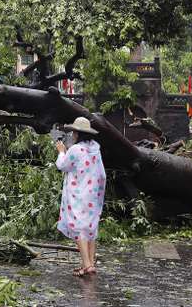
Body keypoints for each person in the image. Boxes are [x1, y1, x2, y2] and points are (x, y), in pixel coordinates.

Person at [55, 116, 106, 276]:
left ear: (78, 133)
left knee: (78, 228)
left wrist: (61, 152)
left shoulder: (75, 150)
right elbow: (102, 174)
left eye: (74, 132)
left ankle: (87, 265)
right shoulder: (95, 149)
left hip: (78, 194)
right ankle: (89, 263)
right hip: (93, 194)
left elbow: (62, 166)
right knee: (90, 228)